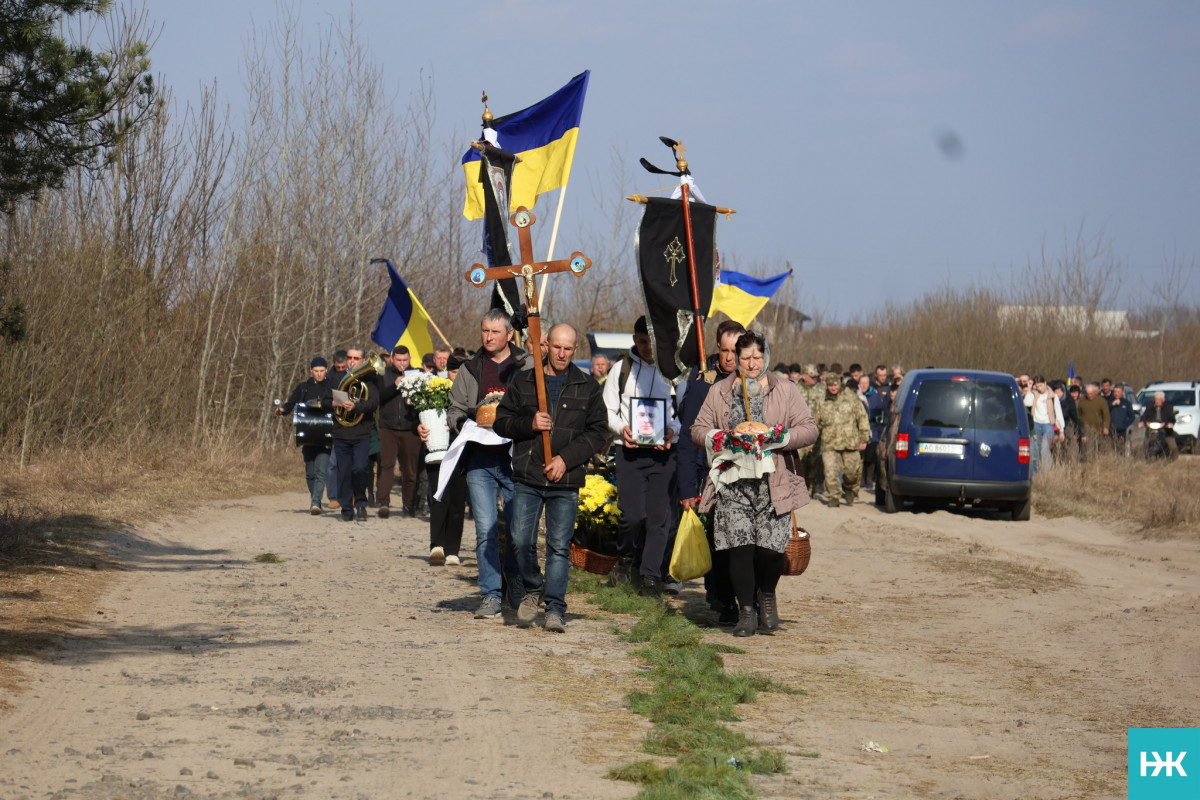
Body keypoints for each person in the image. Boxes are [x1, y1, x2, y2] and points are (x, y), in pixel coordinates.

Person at [691, 330, 818, 636]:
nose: (750, 363)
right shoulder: (721, 390)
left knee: (770, 550)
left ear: (766, 356)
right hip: (733, 483)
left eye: (757, 357)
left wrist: (779, 438)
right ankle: (746, 610)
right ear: (735, 357)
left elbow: (809, 429)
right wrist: (721, 437)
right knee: (740, 548)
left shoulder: (784, 389)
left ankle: (767, 594)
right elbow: (698, 429)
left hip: (773, 482)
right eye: (744, 357)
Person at [493, 324, 608, 632]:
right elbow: (502, 423)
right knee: (520, 540)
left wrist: (565, 459)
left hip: (565, 480)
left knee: (558, 546)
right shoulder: (525, 381)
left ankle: (555, 608)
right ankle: (533, 587)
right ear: (546, 346)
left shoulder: (588, 386)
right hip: (528, 476)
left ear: (575, 351)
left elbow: (598, 432)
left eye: (568, 348)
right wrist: (528, 423)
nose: (561, 353)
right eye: (556, 346)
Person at [447, 309, 532, 619]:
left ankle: (517, 585)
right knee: (485, 529)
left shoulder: (527, 364)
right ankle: (491, 595)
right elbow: (453, 409)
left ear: (510, 334)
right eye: (484, 331)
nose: (488, 337)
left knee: (516, 529)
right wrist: (464, 423)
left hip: (516, 460)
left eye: (495, 332)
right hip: (479, 461)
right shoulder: (471, 369)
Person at [601, 315, 681, 597]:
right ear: (635, 339)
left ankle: (650, 577)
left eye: (653, 341)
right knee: (633, 516)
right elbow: (607, 410)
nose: (648, 347)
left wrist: (671, 430)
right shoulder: (620, 370)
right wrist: (621, 429)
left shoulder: (673, 371)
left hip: (663, 456)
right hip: (629, 453)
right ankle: (624, 561)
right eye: (643, 341)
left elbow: (682, 414)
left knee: (659, 518)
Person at [675, 319, 745, 624]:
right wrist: (687, 487)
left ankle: (747, 598)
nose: (730, 357)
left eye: (736, 350)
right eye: (725, 350)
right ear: (717, 348)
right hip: (710, 473)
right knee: (719, 539)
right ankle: (723, 598)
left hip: (746, 472)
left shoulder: (754, 381)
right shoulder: (703, 381)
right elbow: (688, 436)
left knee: (743, 541)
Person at [420, 351, 468, 566]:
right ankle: (436, 545)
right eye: (453, 371)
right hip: (438, 450)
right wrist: (419, 427)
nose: (456, 376)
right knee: (440, 498)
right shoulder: (434, 389)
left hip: (463, 451)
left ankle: (453, 550)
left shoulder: (470, 391)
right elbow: (421, 414)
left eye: (460, 372)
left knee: (458, 501)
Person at [277, 357, 334, 514]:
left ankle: (315, 503)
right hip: (308, 436)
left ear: (326, 370)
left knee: (320, 471)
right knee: (310, 473)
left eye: (322, 371)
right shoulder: (304, 387)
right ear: (311, 371)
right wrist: (283, 410)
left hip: (325, 436)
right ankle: (315, 498)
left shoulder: (331, 387)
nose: (319, 374)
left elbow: (340, 405)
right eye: (316, 371)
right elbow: (292, 402)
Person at [331, 345, 379, 522]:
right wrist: (334, 404)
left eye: (356, 358)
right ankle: (346, 508)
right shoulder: (335, 377)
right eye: (350, 357)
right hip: (341, 432)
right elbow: (324, 399)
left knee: (360, 468)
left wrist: (356, 406)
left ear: (364, 361)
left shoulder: (370, 380)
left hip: (361, 433)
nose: (352, 361)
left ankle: (360, 502)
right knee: (343, 472)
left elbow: (374, 402)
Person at [375, 346, 421, 519]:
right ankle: (384, 503)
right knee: (387, 466)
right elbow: (378, 398)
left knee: (409, 470)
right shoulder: (383, 375)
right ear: (392, 359)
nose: (402, 363)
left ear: (410, 359)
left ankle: (408, 505)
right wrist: (395, 386)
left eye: (405, 360)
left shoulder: (417, 374)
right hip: (388, 427)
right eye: (398, 360)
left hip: (410, 428)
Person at [815, 371, 870, 507]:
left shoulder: (851, 398)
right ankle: (834, 496)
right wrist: (810, 441)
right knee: (830, 471)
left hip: (850, 442)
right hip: (830, 443)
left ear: (839, 384)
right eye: (830, 386)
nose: (833, 388)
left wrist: (864, 437)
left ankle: (849, 489)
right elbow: (816, 423)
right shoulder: (822, 401)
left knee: (851, 472)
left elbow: (862, 417)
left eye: (835, 385)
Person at [324, 349, 349, 509]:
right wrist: (333, 403)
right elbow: (324, 400)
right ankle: (333, 497)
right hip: (334, 422)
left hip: (353, 422)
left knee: (350, 463)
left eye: (343, 368)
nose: (340, 371)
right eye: (337, 368)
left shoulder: (354, 374)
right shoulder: (328, 378)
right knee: (332, 463)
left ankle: (349, 495)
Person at [1023, 375, 1064, 474]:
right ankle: (1034, 474)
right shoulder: (1033, 394)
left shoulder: (1052, 396)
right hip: (1036, 424)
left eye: (1041, 386)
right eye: (1037, 386)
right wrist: (1029, 388)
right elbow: (1026, 403)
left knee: (1045, 448)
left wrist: (1061, 430)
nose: (1039, 388)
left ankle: (1047, 473)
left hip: (1048, 424)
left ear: (1045, 383)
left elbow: (1058, 412)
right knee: (1034, 450)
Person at [1138, 391, 1179, 459]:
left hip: (1165, 430)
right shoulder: (1150, 406)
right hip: (1151, 429)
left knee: (1172, 446)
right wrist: (1142, 422)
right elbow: (1145, 416)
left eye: (1159, 399)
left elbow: (1171, 418)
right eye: (1156, 399)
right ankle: (1145, 458)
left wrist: (1168, 424)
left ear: (1163, 400)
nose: (1157, 401)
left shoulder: (1168, 407)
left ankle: (1172, 460)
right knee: (1143, 444)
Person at [1075, 382, 1111, 453]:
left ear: (1095, 392)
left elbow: (1106, 415)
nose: (1089, 395)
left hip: (1098, 430)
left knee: (1098, 449)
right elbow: (1078, 415)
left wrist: (1106, 427)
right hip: (1085, 430)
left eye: (1091, 393)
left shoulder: (1101, 401)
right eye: (1088, 394)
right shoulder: (1082, 401)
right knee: (1085, 450)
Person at [1109, 384, 1135, 454]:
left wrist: (1125, 424)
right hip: (1110, 430)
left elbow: (1132, 416)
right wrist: (1112, 405)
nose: (1116, 393)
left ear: (1122, 392)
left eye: (1118, 391)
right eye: (1115, 391)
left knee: (1121, 448)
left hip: (1121, 430)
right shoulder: (1109, 401)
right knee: (1111, 448)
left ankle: (1121, 461)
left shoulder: (1126, 403)